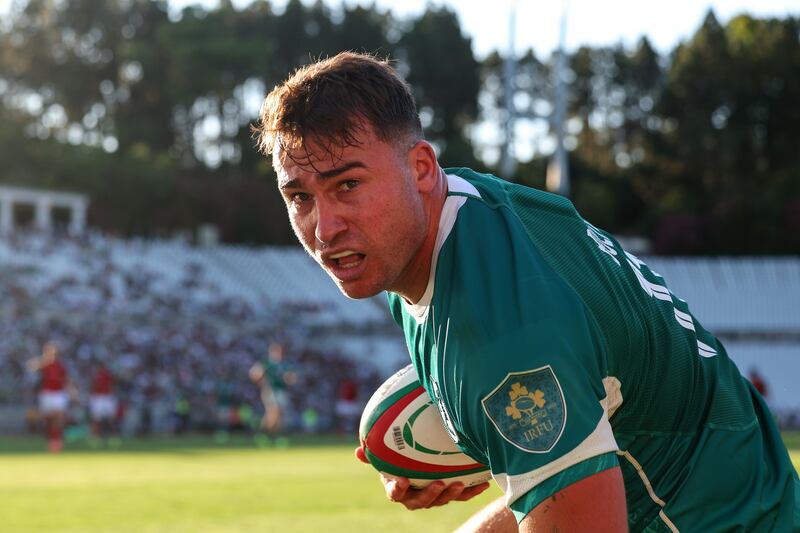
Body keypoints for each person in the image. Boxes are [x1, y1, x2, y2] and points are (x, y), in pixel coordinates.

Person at [254, 52, 799, 532]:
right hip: (732, 477)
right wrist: (484, 448)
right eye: (299, 196)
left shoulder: (499, 335)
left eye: (348, 184)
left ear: (420, 167)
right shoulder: (456, 211)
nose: (324, 228)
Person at [27, 341, 74, 453]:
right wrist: (43, 360)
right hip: (46, 394)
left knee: (59, 417)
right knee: (48, 419)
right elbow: (31, 366)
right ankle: (50, 440)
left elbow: (66, 380)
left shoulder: (61, 366)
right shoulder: (45, 364)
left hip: (58, 394)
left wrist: (72, 391)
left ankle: (57, 441)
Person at [89, 361, 118, 442]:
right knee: (96, 418)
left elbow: (112, 385)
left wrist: (111, 395)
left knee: (111, 418)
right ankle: (95, 437)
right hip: (98, 397)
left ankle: (113, 436)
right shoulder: (95, 375)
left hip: (107, 397)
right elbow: (93, 386)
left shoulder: (108, 374)